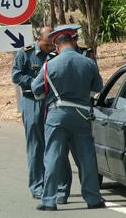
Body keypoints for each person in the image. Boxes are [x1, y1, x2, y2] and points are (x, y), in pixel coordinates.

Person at [31, 24, 105, 211]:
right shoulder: (88, 62)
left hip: (57, 115)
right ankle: (93, 198)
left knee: (53, 156)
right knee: (86, 157)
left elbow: (35, 88)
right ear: (74, 42)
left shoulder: (50, 65)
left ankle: (49, 200)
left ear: (57, 46)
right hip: (81, 114)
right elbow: (98, 87)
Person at [12, 27, 72, 204]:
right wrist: (35, 82)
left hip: (53, 102)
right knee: (36, 145)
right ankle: (38, 186)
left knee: (57, 144)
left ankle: (61, 187)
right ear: (39, 40)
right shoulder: (25, 53)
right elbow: (16, 75)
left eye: (52, 44)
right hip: (32, 102)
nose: (49, 47)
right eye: (47, 44)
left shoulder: (57, 54)